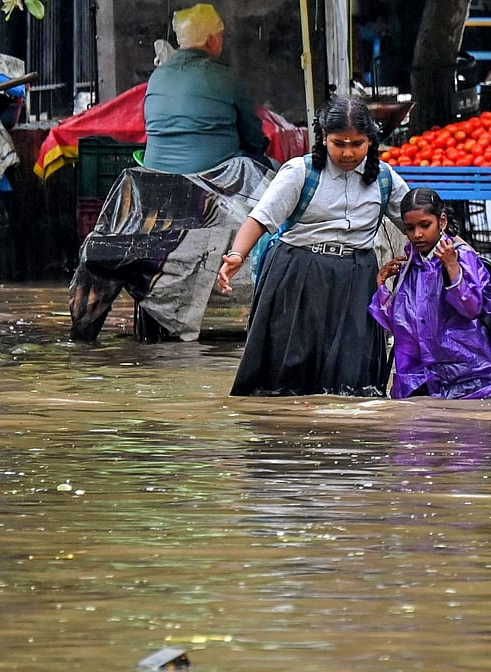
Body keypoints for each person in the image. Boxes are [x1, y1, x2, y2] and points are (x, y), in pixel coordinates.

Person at [217, 96, 410, 396]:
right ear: (324, 139)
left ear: (370, 142)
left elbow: (418, 224)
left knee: (353, 376)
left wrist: (461, 258)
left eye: (356, 144)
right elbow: (260, 219)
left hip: (357, 278)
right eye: (339, 143)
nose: (347, 152)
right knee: (288, 370)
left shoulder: (384, 179)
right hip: (297, 275)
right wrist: (236, 255)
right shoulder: (299, 172)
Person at [367, 189, 491, 400]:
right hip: (418, 380)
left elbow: (473, 308)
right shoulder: (409, 263)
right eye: (410, 228)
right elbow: (401, 324)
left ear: (442, 221)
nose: (417, 234)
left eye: (425, 225)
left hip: (468, 378)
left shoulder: (463, 256)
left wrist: (453, 269)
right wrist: (382, 286)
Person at [143, 4, 268, 174]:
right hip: (215, 178)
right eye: (221, 36)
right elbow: (254, 139)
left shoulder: (156, 77)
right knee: (274, 168)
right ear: (210, 40)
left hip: (156, 175)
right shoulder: (225, 77)